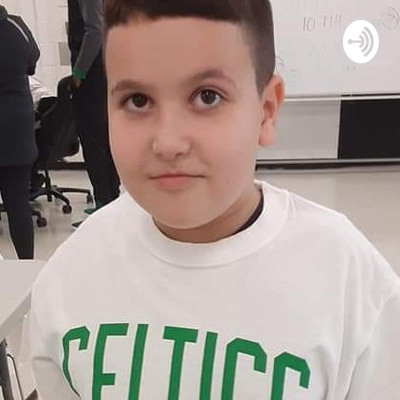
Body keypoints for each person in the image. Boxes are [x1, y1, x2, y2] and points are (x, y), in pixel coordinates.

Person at [29, 0, 400, 398]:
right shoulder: (70, 276)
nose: (168, 142)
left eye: (207, 96)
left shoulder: (349, 282)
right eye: (137, 100)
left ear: (266, 111)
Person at [67, 0, 120, 227]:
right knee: (104, 136)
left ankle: (103, 205)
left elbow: (95, 31)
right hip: (102, 69)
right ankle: (110, 199)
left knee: (93, 140)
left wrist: (79, 71)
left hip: (91, 74)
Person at [0, 5, 40, 259]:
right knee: (18, 205)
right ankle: (27, 265)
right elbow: (32, 60)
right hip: (17, 127)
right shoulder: (16, 26)